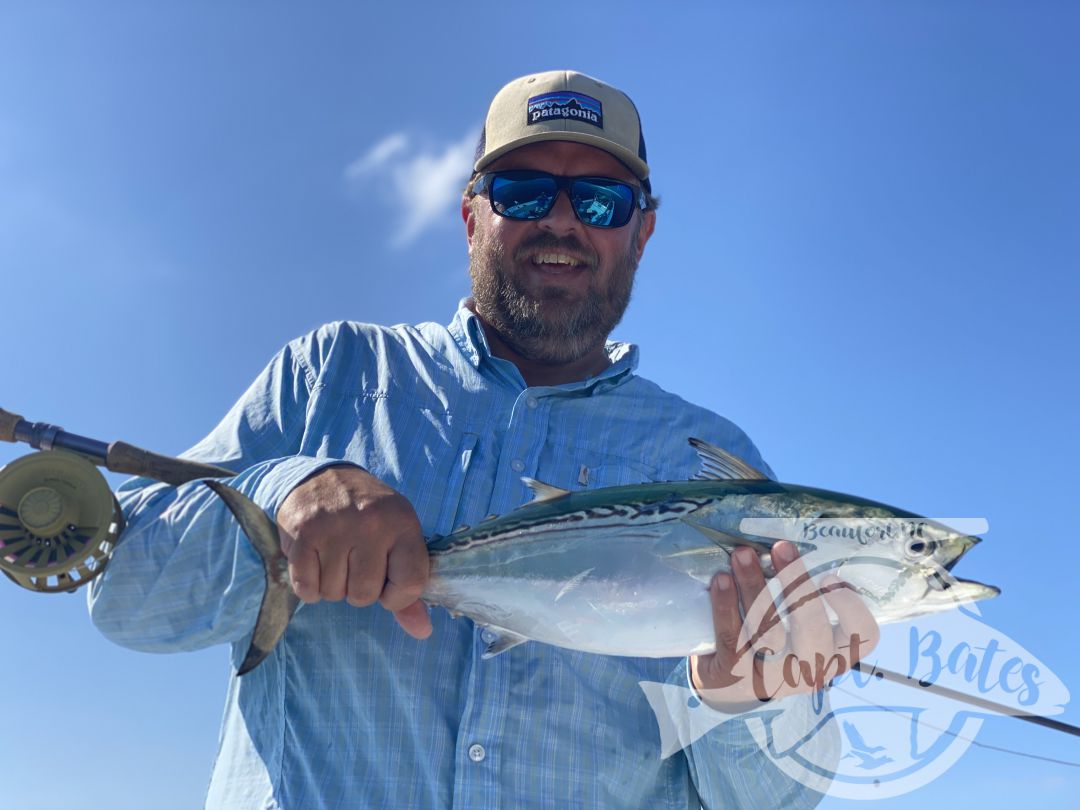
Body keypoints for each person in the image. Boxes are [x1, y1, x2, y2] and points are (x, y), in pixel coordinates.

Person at [89, 70, 878, 809]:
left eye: (601, 201)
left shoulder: (707, 456)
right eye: (524, 190)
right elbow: (121, 590)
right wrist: (280, 493)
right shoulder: (333, 373)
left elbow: (774, 798)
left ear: (642, 234)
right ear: (472, 215)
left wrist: (751, 697)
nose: (562, 221)